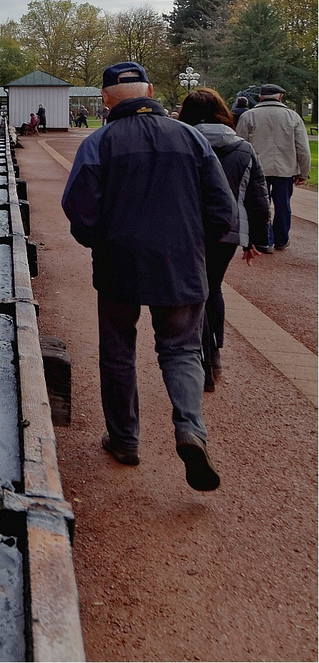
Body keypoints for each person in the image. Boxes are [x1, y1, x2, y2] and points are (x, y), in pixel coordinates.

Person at [61, 62, 235, 491]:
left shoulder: (99, 142)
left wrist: (101, 241)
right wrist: (196, 245)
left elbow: (79, 211)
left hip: (120, 262)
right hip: (181, 262)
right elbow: (222, 210)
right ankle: (190, 429)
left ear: (104, 98)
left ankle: (124, 440)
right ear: (152, 91)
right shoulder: (192, 138)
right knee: (180, 350)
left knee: (118, 351)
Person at [178, 88, 269, 389]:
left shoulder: (181, 142)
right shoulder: (243, 148)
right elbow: (258, 197)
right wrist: (255, 239)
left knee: (193, 292)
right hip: (229, 230)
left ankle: (200, 357)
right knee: (213, 288)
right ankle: (214, 350)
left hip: (187, 229)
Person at [234, 84, 311, 252]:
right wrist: (304, 172)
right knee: (283, 204)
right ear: (280, 97)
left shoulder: (249, 116)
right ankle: (282, 239)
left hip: (257, 167)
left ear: (261, 97)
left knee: (260, 204)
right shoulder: (293, 116)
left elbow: (239, 144)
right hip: (285, 168)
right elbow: (302, 148)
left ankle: (265, 239)